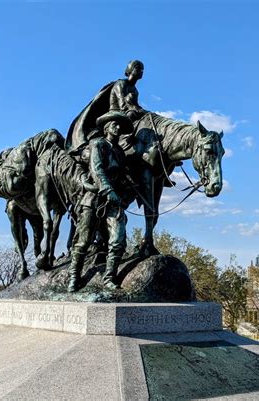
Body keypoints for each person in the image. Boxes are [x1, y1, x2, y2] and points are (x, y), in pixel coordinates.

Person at [68, 111, 132, 292]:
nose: (117, 127)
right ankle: (74, 277)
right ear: (106, 127)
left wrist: (126, 186)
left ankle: (109, 278)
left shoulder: (119, 152)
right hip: (94, 199)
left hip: (114, 202)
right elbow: (97, 169)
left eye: (120, 125)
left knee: (118, 240)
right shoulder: (97, 144)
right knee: (83, 241)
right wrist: (108, 189)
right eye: (114, 124)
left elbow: (119, 175)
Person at [65, 60, 157, 166]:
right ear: (131, 69)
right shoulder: (121, 83)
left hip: (127, 114)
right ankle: (127, 142)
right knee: (132, 115)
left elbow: (134, 106)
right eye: (138, 68)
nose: (141, 71)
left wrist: (144, 112)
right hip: (115, 116)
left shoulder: (135, 90)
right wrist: (136, 110)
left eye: (142, 69)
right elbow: (123, 105)